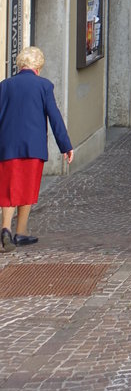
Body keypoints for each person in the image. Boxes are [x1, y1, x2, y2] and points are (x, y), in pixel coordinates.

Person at [0, 46, 73, 251]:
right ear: (38, 68)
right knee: (28, 187)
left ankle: (5, 229)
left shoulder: (4, 86)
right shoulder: (44, 86)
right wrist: (65, 146)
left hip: (7, 146)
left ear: (20, 65)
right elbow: (55, 117)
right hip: (33, 146)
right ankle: (21, 233)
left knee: (8, 187)